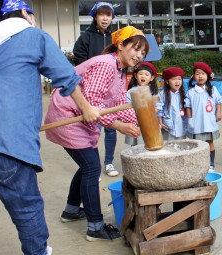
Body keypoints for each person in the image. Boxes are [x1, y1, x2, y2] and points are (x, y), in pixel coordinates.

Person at [0, 0, 100, 254]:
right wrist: (87, 109)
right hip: (4, 136)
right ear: (25, 13)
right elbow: (66, 77)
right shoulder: (33, 36)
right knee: (27, 207)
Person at [44, 26, 147, 241]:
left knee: (87, 166)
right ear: (120, 45)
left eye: (143, 53)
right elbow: (92, 104)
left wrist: (141, 120)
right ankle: (95, 227)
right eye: (136, 49)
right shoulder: (105, 64)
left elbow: (118, 101)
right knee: (92, 168)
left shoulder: (120, 70)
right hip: (69, 115)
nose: (139, 55)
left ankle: (71, 211)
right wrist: (118, 125)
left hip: (84, 118)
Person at [73, 2, 119, 177]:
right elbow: (79, 60)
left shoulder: (116, 38)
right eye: (102, 14)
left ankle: (108, 163)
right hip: (92, 88)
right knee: (93, 128)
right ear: (95, 17)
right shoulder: (86, 37)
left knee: (110, 128)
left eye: (108, 15)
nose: (105, 18)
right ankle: (94, 167)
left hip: (111, 89)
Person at [185, 62, 222, 171]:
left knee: (210, 142)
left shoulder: (213, 90)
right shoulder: (191, 92)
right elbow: (188, 107)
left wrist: (219, 113)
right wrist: (190, 119)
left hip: (209, 122)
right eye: (197, 74)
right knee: (197, 144)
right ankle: (199, 164)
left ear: (208, 76)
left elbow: (218, 102)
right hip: (197, 123)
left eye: (203, 73)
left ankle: (211, 163)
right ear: (193, 77)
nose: (200, 76)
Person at [125, 61, 159, 146]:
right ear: (136, 76)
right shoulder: (131, 92)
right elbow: (127, 107)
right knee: (136, 146)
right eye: (140, 74)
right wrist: (135, 119)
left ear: (151, 78)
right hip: (136, 123)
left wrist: (154, 111)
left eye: (146, 74)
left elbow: (159, 106)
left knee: (151, 145)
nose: (143, 76)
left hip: (150, 123)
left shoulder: (154, 92)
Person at [157, 67, 187, 141]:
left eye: (179, 79)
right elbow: (159, 111)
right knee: (169, 146)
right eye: (173, 79)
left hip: (181, 124)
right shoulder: (162, 95)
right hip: (168, 126)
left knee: (181, 144)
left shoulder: (184, 94)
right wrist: (160, 123)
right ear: (167, 81)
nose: (177, 82)